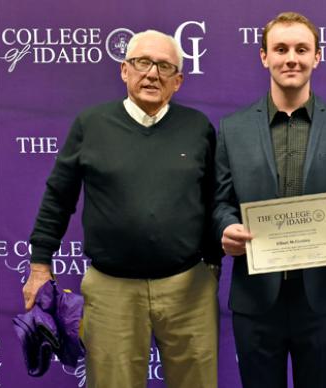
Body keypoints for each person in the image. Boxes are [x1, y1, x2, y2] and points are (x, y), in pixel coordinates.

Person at [22, 30, 220, 388]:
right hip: (112, 289)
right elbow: (58, 196)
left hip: (188, 288)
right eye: (142, 62)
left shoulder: (198, 128)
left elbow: (214, 200)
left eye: (164, 66)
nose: (152, 74)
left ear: (178, 81)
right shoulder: (91, 124)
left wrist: (214, 264)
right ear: (124, 70)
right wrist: (39, 266)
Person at [214, 11, 326, 388]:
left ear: (318, 56)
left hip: (320, 296)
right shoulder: (233, 129)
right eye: (280, 49)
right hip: (256, 296)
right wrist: (226, 227)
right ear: (264, 56)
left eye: (302, 49)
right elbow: (220, 202)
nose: (291, 58)